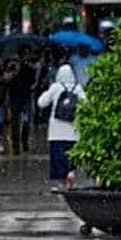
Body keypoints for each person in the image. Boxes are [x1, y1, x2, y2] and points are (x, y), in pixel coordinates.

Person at [37, 57, 83, 187]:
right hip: (74, 131)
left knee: (58, 158)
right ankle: (71, 172)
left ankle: (62, 181)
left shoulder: (55, 87)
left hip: (56, 132)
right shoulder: (78, 88)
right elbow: (86, 104)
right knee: (72, 156)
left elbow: (41, 103)